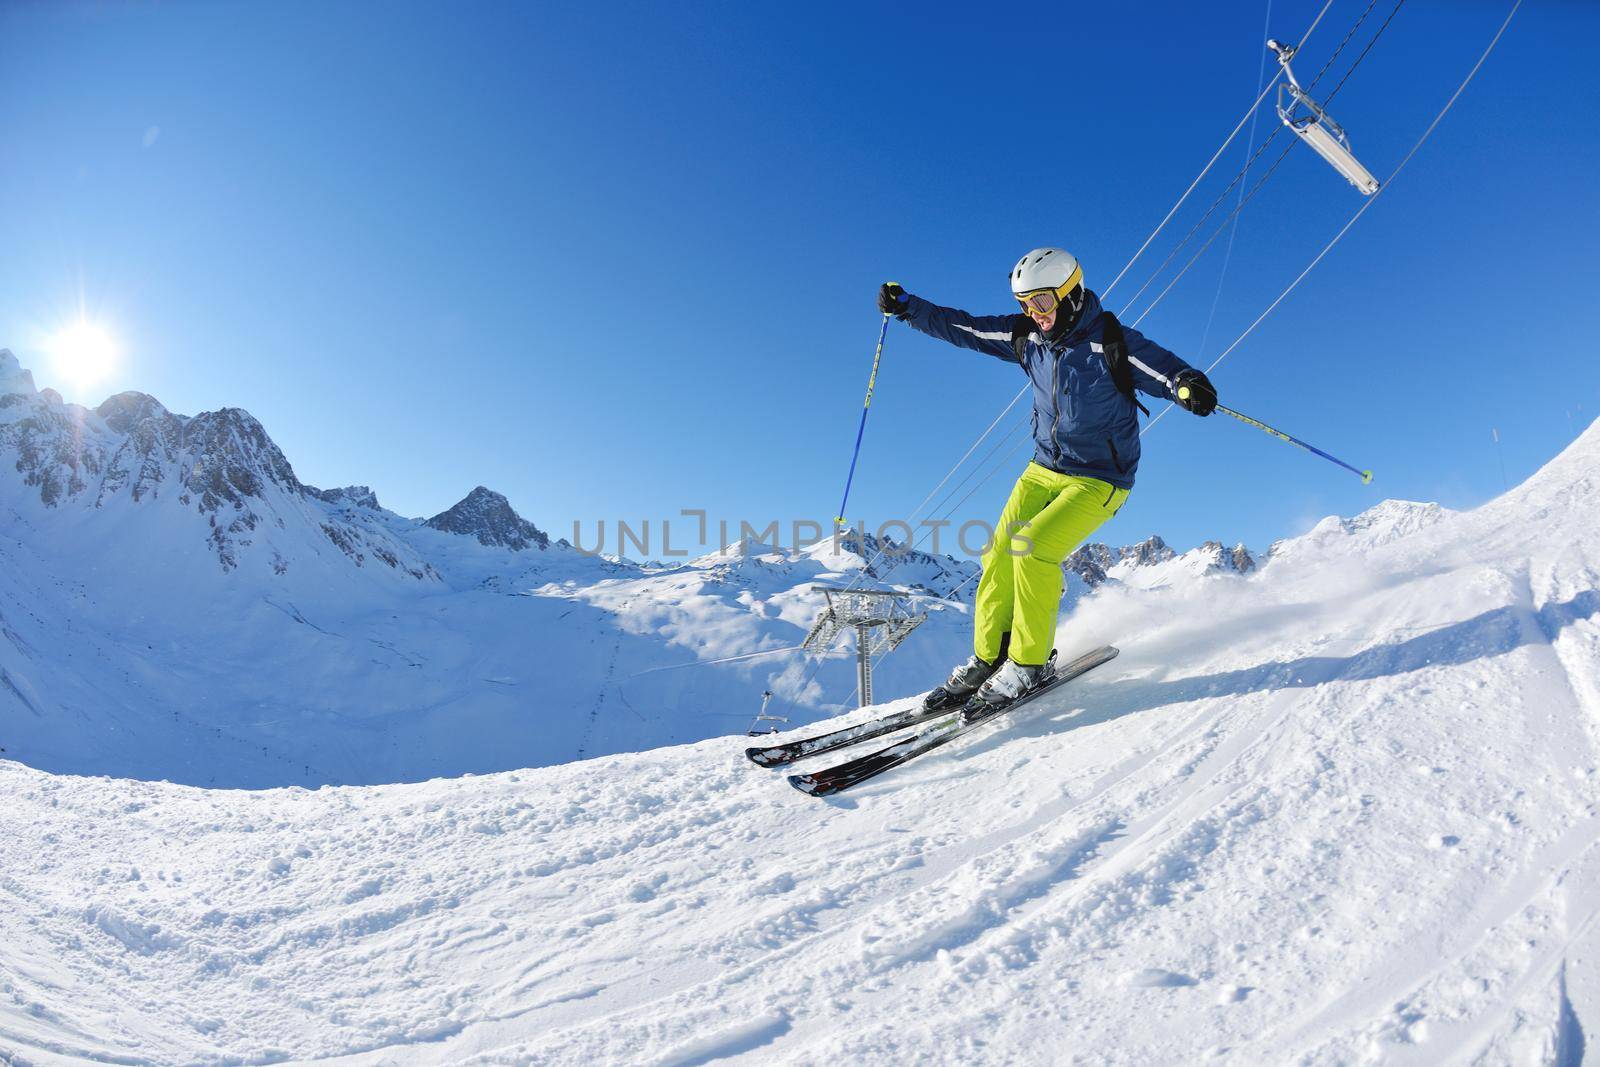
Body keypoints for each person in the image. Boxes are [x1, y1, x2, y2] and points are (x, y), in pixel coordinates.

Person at [878, 247, 1216, 719]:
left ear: (1071, 294)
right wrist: (909, 308)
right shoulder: (1027, 337)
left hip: (1099, 480)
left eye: (1041, 302)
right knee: (998, 552)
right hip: (1043, 470)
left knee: (1032, 549)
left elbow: (1165, 370)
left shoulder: (1112, 342)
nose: (1033, 314)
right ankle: (989, 657)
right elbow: (966, 328)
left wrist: (1187, 385)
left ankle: (1029, 664)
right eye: (1024, 304)